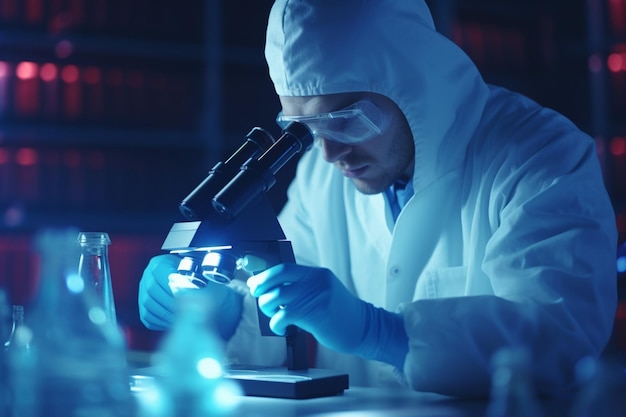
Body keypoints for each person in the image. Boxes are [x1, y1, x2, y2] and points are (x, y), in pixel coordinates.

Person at [138, 0, 618, 397]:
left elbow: (561, 333)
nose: (328, 154)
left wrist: (384, 334)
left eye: (345, 119)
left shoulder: (539, 154)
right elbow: (288, 319)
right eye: (306, 130)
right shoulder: (319, 180)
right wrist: (223, 314)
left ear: (414, 87)